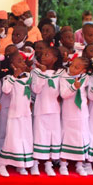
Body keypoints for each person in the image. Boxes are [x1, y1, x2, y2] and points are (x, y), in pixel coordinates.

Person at [0, 52, 34, 177]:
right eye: (19, 61)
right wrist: (14, 76)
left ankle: (21, 164)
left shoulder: (29, 76)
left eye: (23, 61)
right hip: (14, 113)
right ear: (12, 65)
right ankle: (2, 164)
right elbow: (6, 90)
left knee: (25, 138)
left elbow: (33, 91)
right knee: (12, 138)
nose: (22, 63)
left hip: (25, 114)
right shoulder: (9, 78)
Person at [30, 47, 63, 176]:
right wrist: (43, 73)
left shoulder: (60, 72)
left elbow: (62, 90)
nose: (43, 56)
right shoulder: (36, 72)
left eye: (47, 54)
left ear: (55, 59)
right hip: (41, 108)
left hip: (54, 109)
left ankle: (49, 163)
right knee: (39, 135)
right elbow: (36, 89)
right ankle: (35, 163)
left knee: (52, 136)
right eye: (42, 54)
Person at [59, 57, 93, 176]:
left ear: (83, 71)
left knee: (81, 136)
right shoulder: (63, 78)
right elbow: (63, 94)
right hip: (68, 112)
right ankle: (63, 164)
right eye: (72, 65)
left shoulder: (86, 78)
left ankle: (80, 164)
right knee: (67, 135)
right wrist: (74, 87)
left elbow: (90, 93)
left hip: (81, 113)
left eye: (77, 67)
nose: (73, 68)